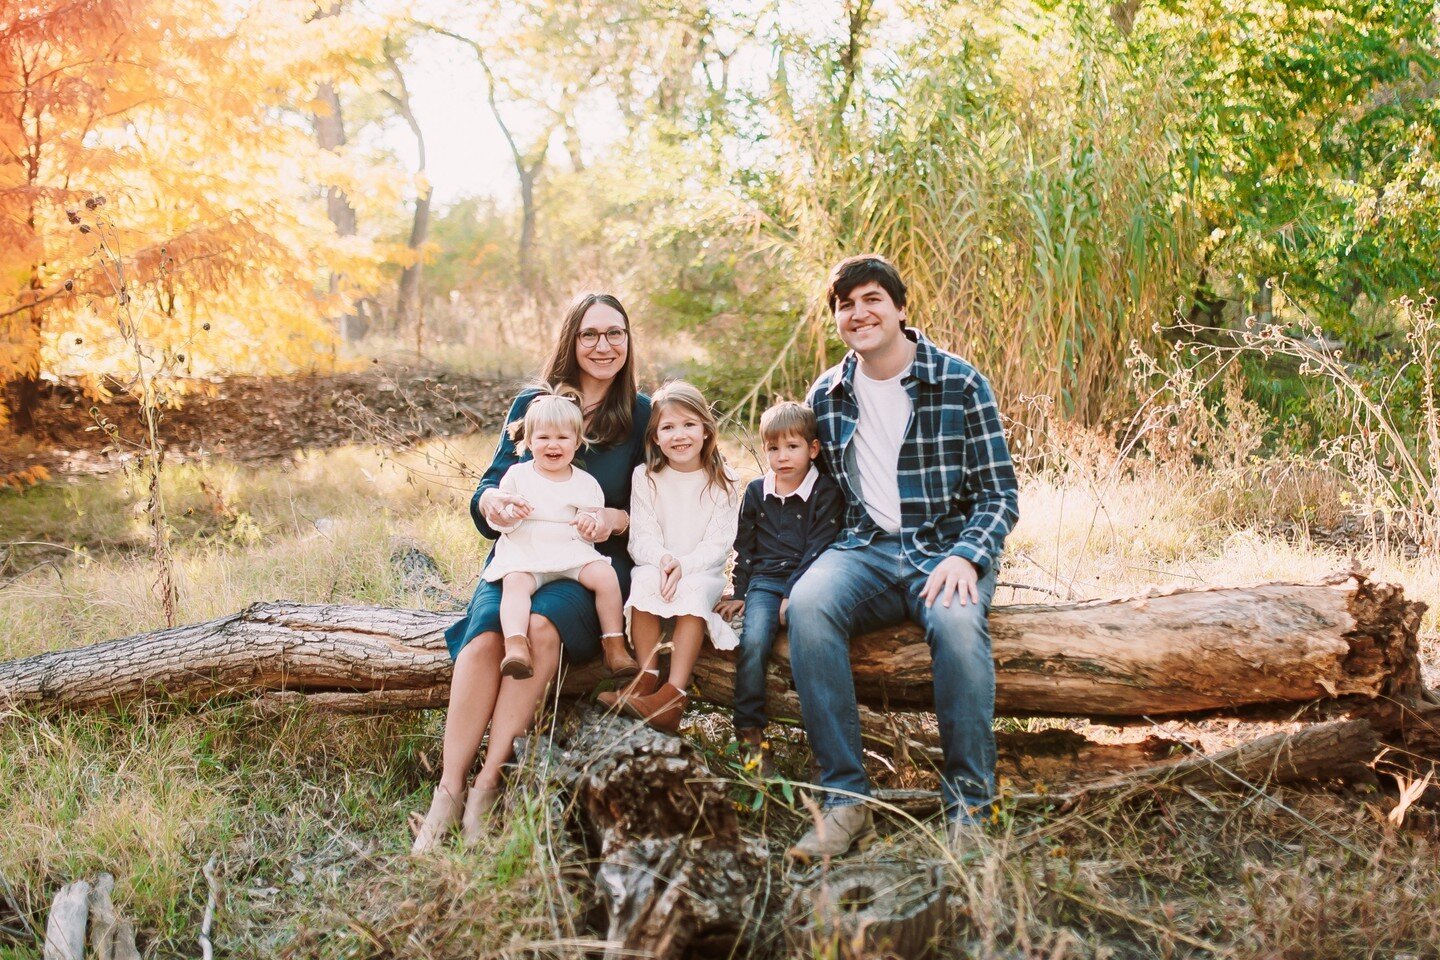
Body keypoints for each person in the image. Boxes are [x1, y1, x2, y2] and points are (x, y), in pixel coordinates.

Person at [785, 254, 1020, 862]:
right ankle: (844, 803)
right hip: (867, 550)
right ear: (836, 316)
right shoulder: (828, 395)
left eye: (871, 300)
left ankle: (970, 806)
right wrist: (779, 577)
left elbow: (1000, 493)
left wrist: (969, 557)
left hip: (945, 551)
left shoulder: (959, 381)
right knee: (808, 607)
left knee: (959, 627)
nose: (858, 313)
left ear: (899, 308)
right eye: (845, 304)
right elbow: (818, 499)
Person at [412, 293, 650, 853]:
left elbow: (661, 503)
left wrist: (615, 518)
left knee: (542, 627)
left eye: (614, 333)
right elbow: (488, 485)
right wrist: (492, 504)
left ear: (628, 341)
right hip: (521, 553)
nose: (602, 345)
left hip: (588, 563)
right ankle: (447, 790)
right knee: (486, 638)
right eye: (589, 334)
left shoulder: (642, 414)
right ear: (570, 339)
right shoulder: (533, 402)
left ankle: (488, 782)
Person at [597, 381, 740, 734]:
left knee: (692, 593)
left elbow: (719, 542)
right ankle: (647, 677)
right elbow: (641, 535)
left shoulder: (723, 480)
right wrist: (663, 560)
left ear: (707, 431)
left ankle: (673, 695)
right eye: (668, 427)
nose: (680, 435)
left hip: (702, 570)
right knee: (642, 580)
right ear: (655, 438)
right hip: (658, 564)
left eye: (689, 424)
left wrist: (684, 565)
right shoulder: (646, 477)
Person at [714, 401, 844, 772]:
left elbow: (821, 547)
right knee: (754, 641)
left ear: (813, 449)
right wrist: (740, 592)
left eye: (792, 447)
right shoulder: (757, 491)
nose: (782, 457)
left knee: (817, 648)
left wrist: (793, 595)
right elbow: (746, 546)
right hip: (765, 582)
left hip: (811, 580)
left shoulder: (826, 492)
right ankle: (750, 734)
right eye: (773, 448)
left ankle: (823, 745)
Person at [480, 387, 635, 681]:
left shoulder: (586, 482)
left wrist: (590, 524)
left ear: (577, 442)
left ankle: (614, 644)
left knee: (605, 575)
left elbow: (592, 517)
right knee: (515, 583)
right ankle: (515, 646)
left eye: (563, 437)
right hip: (528, 550)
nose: (554, 445)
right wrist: (510, 515)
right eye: (544, 438)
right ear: (528, 441)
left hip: (570, 551)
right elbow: (502, 517)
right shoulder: (517, 476)